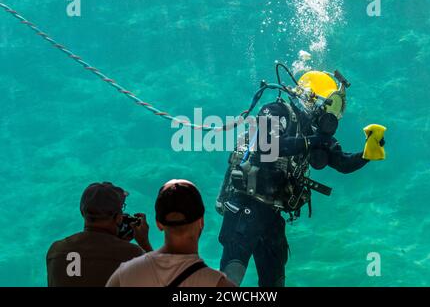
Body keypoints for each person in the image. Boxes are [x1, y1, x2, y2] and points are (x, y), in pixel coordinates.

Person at [216, 67, 387, 287]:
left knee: (274, 283)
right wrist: (312, 141)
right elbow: (268, 147)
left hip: (273, 216)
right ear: (314, 98)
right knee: (230, 277)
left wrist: (367, 154)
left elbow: (342, 163)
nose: (333, 116)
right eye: (332, 106)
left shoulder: (316, 135)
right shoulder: (276, 111)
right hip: (246, 207)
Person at [107, 179, 235, 287]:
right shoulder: (220, 285)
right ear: (201, 222)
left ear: (158, 223)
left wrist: (144, 244)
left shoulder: (124, 276)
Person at [46, 182, 152, 287]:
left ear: (82, 213)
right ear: (118, 217)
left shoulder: (56, 251)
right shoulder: (133, 255)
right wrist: (144, 243)